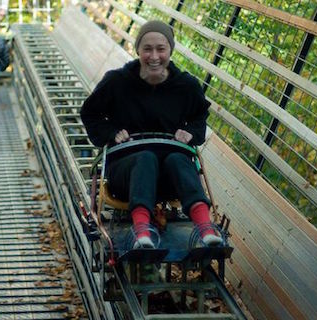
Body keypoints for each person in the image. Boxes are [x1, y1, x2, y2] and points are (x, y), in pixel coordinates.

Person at [80, 20, 223, 249]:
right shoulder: (117, 82)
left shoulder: (185, 85)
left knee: (179, 159)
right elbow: (90, 113)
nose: (154, 56)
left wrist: (190, 133)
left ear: (170, 50)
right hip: (126, 175)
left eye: (161, 49)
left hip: (169, 178)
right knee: (145, 158)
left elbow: (199, 117)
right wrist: (111, 132)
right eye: (147, 49)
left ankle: (206, 229)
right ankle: (141, 231)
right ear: (137, 50)